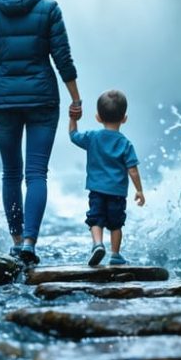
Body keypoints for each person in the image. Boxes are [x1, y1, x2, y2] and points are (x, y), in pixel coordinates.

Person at [0, 0, 83, 264]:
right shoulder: (49, 9)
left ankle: (16, 240)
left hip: (3, 101)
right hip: (43, 100)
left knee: (11, 173)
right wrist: (76, 97)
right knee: (37, 174)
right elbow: (63, 57)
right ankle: (30, 244)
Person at [69, 90, 145, 266]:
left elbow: (73, 136)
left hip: (96, 190)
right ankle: (115, 254)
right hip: (117, 192)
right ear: (124, 118)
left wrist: (73, 119)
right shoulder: (125, 143)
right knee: (116, 224)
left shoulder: (92, 137)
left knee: (95, 218)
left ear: (98, 117)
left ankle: (97, 244)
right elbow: (132, 169)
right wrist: (139, 190)